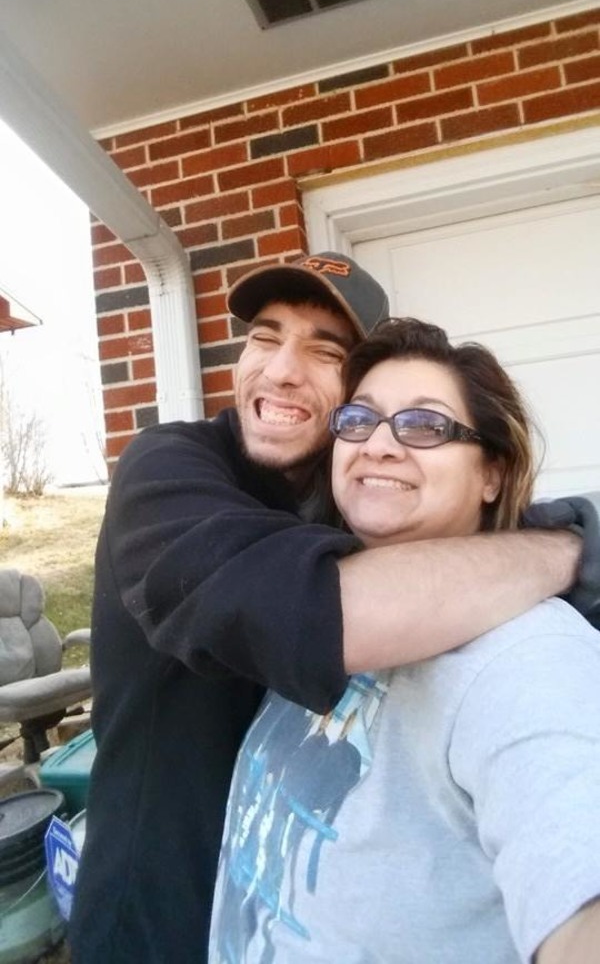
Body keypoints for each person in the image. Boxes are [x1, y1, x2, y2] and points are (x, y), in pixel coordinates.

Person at [69, 252, 592, 964]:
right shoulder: (169, 471)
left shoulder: (519, 651)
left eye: (325, 352)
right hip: (152, 922)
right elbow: (317, 605)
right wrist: (571, 550)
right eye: (264, 336)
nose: (282, 369)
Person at [209, 318, 600, 964]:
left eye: (425, 425)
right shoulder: (315, 596)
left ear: (492, 473)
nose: (379, 445)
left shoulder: (528, 656)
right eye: (359, 419)